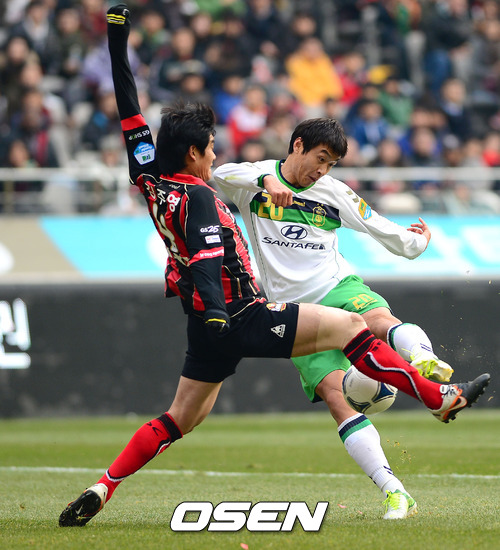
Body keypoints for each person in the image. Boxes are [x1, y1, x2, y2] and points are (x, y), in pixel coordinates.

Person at [58, 5, 490, 528]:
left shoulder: (149, 174)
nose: (214, 157)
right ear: (192, 153)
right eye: (210, 149)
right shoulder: (199, 199)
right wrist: (219, 312)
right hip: (240, 314)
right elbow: (206, 261)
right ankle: (438, 398)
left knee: (179, 419)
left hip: (204, 329)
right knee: (352, 327)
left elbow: (129, 108)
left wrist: (116, 38)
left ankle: (104, 486)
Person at [212, 116, 486, 517]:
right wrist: (265, 181)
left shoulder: (334, 192)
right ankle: (396, 493)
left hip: (336, 285)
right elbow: (219, 172)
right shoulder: (254, 180)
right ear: (298, 145)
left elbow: (381, 228)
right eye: (320, 158)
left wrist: (417, 242)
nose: (323, 170)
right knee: (338, 398)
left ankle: (425, 362)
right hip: (294, 311)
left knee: (379, 320)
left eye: (331, 164)